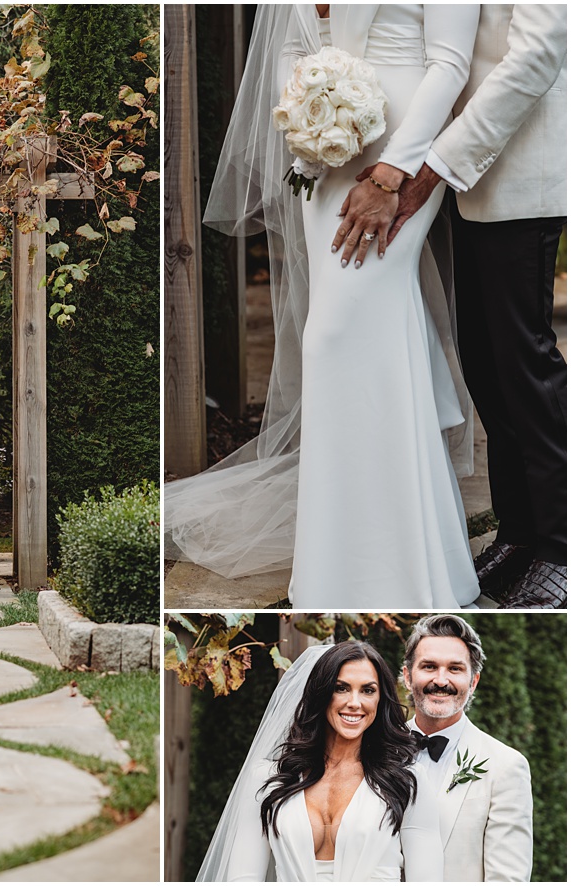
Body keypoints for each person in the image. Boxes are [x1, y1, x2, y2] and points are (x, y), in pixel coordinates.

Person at [165, 5, 482, 608]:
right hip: (326, 148)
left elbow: (449, 63)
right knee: (365, 336)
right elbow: (292, 44)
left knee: (336, 337)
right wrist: (306, 135)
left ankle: (382, 565)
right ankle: (384, 560)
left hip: (398, 147)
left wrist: (393, 172)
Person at [375, 7, 568, 609]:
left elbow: (536, 56)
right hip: (472, 182)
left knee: (525, 365)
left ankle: (560, 549)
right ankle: (520, 533)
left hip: (521, 176)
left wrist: (434, 165)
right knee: (485, 364)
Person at [198, 641, 443, 881]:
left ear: (381, 700)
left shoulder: (408, 781)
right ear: (321, 694)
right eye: (341, 688)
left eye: (368, 690)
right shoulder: (267, 779)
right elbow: (243, 878)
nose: (354, 703)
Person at [402, 614, 533, 881]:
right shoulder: (372, 749)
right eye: (428, 666)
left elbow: (507, 878)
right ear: (407, 676)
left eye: (455, 669)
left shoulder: (505, 766)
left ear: (473, 682)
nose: (441, 680)